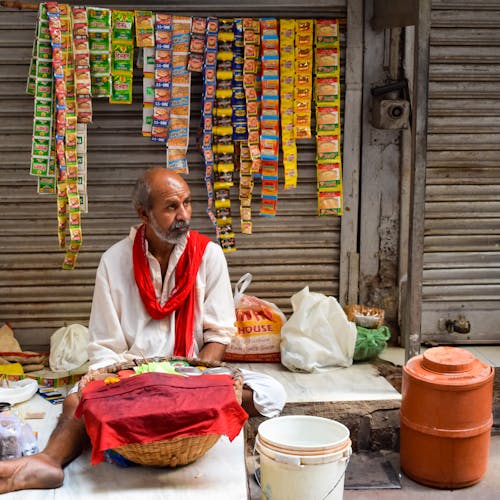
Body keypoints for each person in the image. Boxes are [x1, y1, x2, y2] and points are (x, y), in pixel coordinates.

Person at [0, 167, 286, 493]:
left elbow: (217, 336)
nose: (183, 215)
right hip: (130, 380)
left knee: (270, 393)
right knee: (77, 400)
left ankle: (158, 420)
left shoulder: (209, 256)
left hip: (192, 377)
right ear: (143, 213)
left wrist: (194, 384)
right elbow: (104, 349)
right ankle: (48, 462)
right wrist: (137, 385)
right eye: (171, 207)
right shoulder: (114, 261)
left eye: (187, 204)